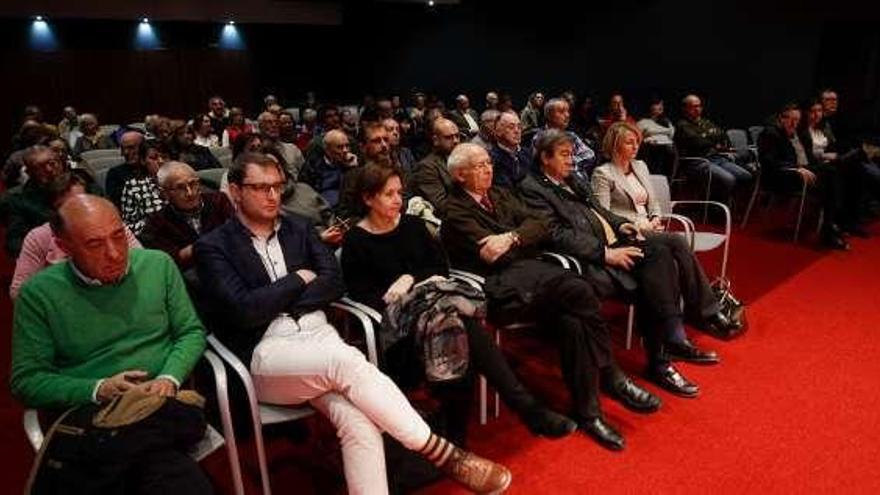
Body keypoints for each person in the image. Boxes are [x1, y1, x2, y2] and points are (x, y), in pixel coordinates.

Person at [195, 152, 512, 494]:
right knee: (346, 361)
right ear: (235, 190)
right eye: (260, 188)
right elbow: (244, 311)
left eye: (277, 186)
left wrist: (277, 295)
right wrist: (298, 279)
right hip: (266, 352)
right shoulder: (213, 247)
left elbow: (332, 282)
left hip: (320, 336)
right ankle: (442, 453)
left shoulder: (299, 227)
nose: (272, 196)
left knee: (359, 422)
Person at [441, 143, 661, 451]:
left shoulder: (500, 195)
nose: (488, 168)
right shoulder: (454, 210)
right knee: (581, 290)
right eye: (479, 165)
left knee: (574, 322)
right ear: (460, 175)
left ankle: (589, 413)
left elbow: (541, 224)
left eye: (488, 162)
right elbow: (494, 257)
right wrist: (520, 239)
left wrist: (513, 237)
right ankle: (611, 374)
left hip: (534, 278)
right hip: (499, 291)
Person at [342, 164, 577, 443]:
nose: (398, 200)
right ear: (368, 199)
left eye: (399, 193)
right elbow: (362, 293)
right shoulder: (356, 240)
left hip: (440, 309)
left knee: (453, 327)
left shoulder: (413, 225)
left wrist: (409, 278)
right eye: (388, 194)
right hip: (400, 325)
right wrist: (407, 295)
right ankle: (526, 408)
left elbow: (439, 266)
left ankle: (458, 434)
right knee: (459, 327)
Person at [10, 194, 210, 494]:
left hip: (157, 401)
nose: (115, 253)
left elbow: (191, 332)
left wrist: (169, 377)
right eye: (94, 244)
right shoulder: (39, 294)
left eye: (119, 236)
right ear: (64, 247)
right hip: (91, 413)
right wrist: (97, 388)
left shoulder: (158, 265)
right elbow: (27, 381)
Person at [522, 128, 726, 396]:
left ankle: (668, 347)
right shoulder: (531, 188)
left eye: (572, 154)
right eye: (564, 155)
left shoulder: (573, 179)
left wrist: (624, 225)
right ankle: (665, 353)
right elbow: (556, 234)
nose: (572, 160)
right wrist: (605, 253)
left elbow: (602, 212)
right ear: (544, 158)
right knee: (657, 270)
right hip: (589, 257)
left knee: (662, 253)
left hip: (614, 242)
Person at [10, 173, 140, 299]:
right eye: (67, 207)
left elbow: (141, 265)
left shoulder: (110, 226)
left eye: (80, 202)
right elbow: (19, 294)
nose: (77, 211)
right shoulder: (38, 237)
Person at [758, 104, 856, 249]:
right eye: (790, 119)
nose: (794, 123)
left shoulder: (795, 133)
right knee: (830, 181)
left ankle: (832, 224)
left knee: (835, 171)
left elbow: (806, 158)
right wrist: (797, 168)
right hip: (782, 177)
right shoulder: (770, 133)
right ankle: (830, 228)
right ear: (781, 118)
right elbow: (769, 162)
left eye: (797, 120)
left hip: (801, 171)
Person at [140, 161, 234, 272]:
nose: (190, 193)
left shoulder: (219, 201)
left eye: (193, 184)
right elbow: (168, 263)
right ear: (164, 193)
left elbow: (237, 235)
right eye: (180, 187)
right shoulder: (156, 223)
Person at [674, 94, 753, 204]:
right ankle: (714, 209)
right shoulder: (682, 125)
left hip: (716, 158)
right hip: (697, 162)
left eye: (699, 106)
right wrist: (711, 139)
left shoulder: (705, 122)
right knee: (728, 179)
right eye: (694, 106)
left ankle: (733, 207)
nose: (698, 109)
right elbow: (698, 142)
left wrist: (707, 136)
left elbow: (722, 135)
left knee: (746, 176)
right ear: (685, 108)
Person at [2, 145, 68, 256]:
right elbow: (15, 243)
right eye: (40, 167)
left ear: (61, 163)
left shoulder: (81, 185)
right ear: (29, 172)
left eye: (52, 163)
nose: (49, 170)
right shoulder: (15, 199)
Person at [532, 98, 597, 179]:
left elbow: (590, 155)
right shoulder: (540, 138)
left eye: (568, 111)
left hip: (580, 183)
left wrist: (569, 163)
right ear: (549, 115)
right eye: (561, 111)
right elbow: (542, 166)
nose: (567, 115)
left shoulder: (571, 135)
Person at [408, 118, 461, 215]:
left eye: (457, 136)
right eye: (449, 137)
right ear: (436, 140)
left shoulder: (462, 158)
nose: (456, 141)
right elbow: (442, 205)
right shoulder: (426, 167)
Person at [298, 129, 359, 207]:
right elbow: (304, 193)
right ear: (327, 150)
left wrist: (353, 169)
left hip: (346, 210)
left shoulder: (352, 164)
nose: (345, 150)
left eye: (347, 146)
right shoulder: (312, 166)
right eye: (339, 147)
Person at [119, 140, 167, 236]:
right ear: (143, 161)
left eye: (165, 157)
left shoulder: (181, 180)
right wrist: (150, 226)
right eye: (154, 158)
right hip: (152, 237)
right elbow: (128, 226)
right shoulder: (133, 186)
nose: (161, 161)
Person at [489, 111, 531, 189]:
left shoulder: (528, 153)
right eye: (511, 127)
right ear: (498, 131)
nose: (517, 131)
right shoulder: (491, 159)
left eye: (519, 127)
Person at [636, 98, 677, 176]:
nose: (660, 106)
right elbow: (638, 138)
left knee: (671, 150)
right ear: (650, 107)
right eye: (657, 104)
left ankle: (668, 180)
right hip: (651, 147)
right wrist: (646, 141)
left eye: (662, 104)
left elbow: (672, 136)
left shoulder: (667, 122)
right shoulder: (643, 122)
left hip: (668, 147)